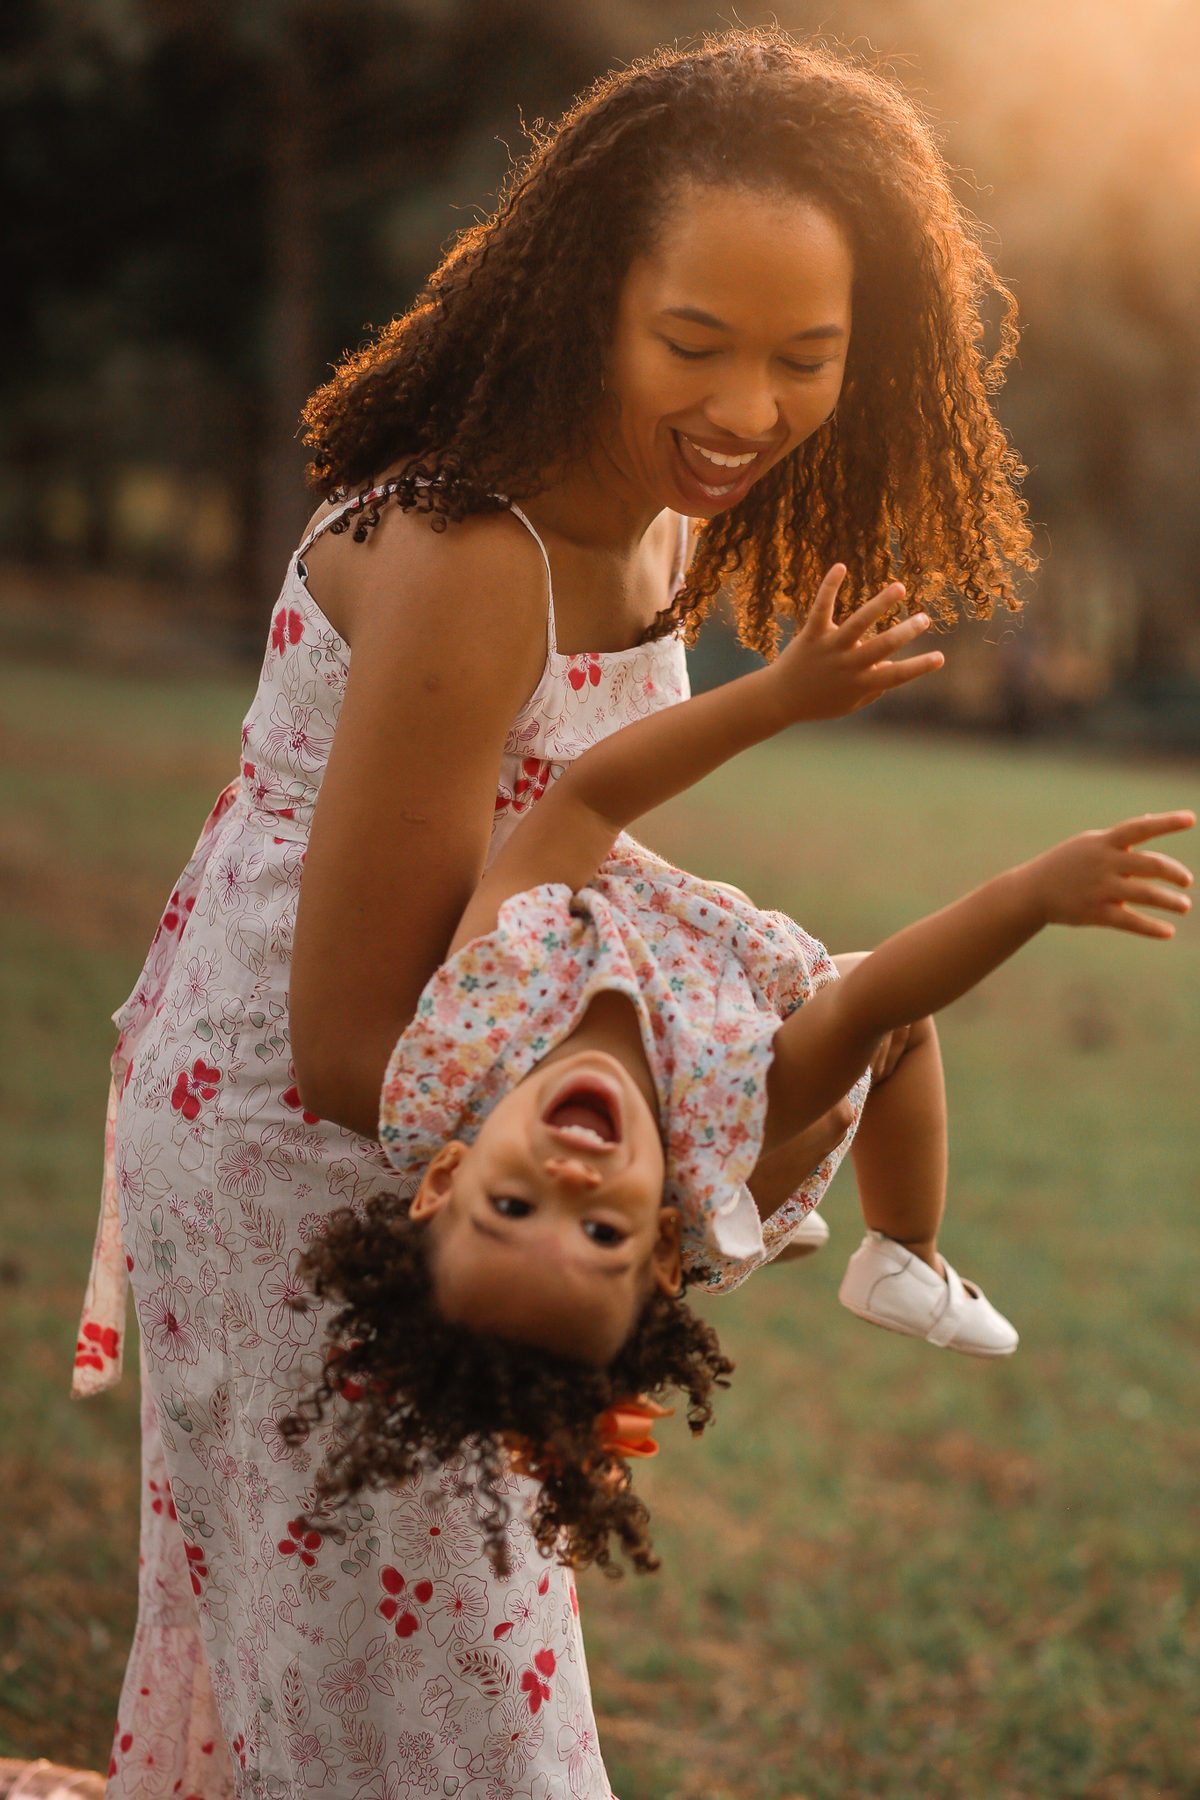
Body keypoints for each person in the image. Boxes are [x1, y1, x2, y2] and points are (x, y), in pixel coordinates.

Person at [75, 31, 1042, 1800]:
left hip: (482, 1120)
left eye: (806, 358)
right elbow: (353, 1051)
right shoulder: (474, 554)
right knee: (422, 1706)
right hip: (314, 1149)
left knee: (422, 1687)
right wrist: (626, 1187)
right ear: (593, 297)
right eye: (696, 342)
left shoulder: (666, 514)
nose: (747, 409)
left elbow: (553, 856)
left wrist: (641, 1180)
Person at [294, 567, 1192, 1577]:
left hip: (667, 985)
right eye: (600, 1233)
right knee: (901, 1036)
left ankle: (776, 1232)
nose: (569, 1180)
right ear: (657, 1248)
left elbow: (589, 797)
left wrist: (780, 695)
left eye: (511, 1207)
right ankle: (903, 1252)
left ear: (447, 1178)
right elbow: (871, 1002)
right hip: (740, 1065)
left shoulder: (479, 1019)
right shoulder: (733, 1113)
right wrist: (1029, 897)